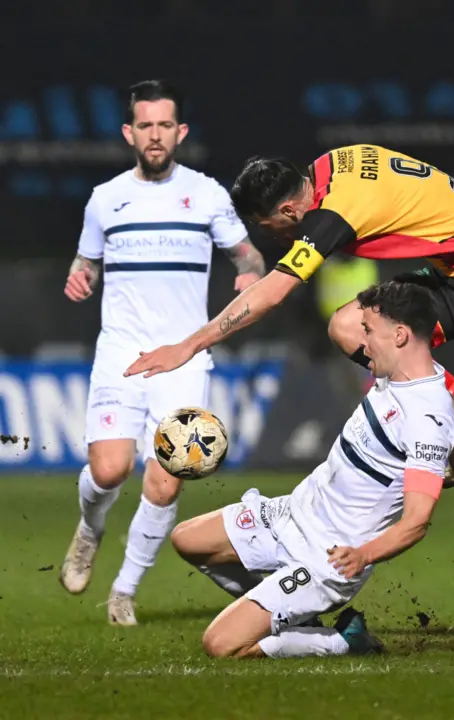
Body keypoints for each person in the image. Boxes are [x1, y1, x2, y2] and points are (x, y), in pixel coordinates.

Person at [124, 145, 454, 632]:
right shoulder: (331, 166)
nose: (277, 236)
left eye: (271, 226)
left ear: (290, 209)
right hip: (452, 275)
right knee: (350, 325)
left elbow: (271, 293)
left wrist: (189, 345)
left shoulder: (332, 212)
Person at [170, 281, 454, 658]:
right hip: (293, 513)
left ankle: (341, 642)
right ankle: (287, 613)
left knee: (221, 645)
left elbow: (415, 523)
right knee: (187, 539)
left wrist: (363, 556)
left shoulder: (425, 418)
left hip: (326, 557)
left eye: (368, 331)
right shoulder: (401, 373)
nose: (362, 342)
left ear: (399, 335)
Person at [59, 79, 266, 626]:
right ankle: (90, 529)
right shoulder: (106, 199)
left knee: (167, 477)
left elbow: (250, 259)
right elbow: (87, 264)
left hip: (184, 357)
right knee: (108, 470)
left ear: (181, 132)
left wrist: (249, 276)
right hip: (122, 351)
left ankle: (124, 590)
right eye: (145, 125)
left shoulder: (207, 195)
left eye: (164, 125)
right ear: (130, 132)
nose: (155, 135)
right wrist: (80, 277)